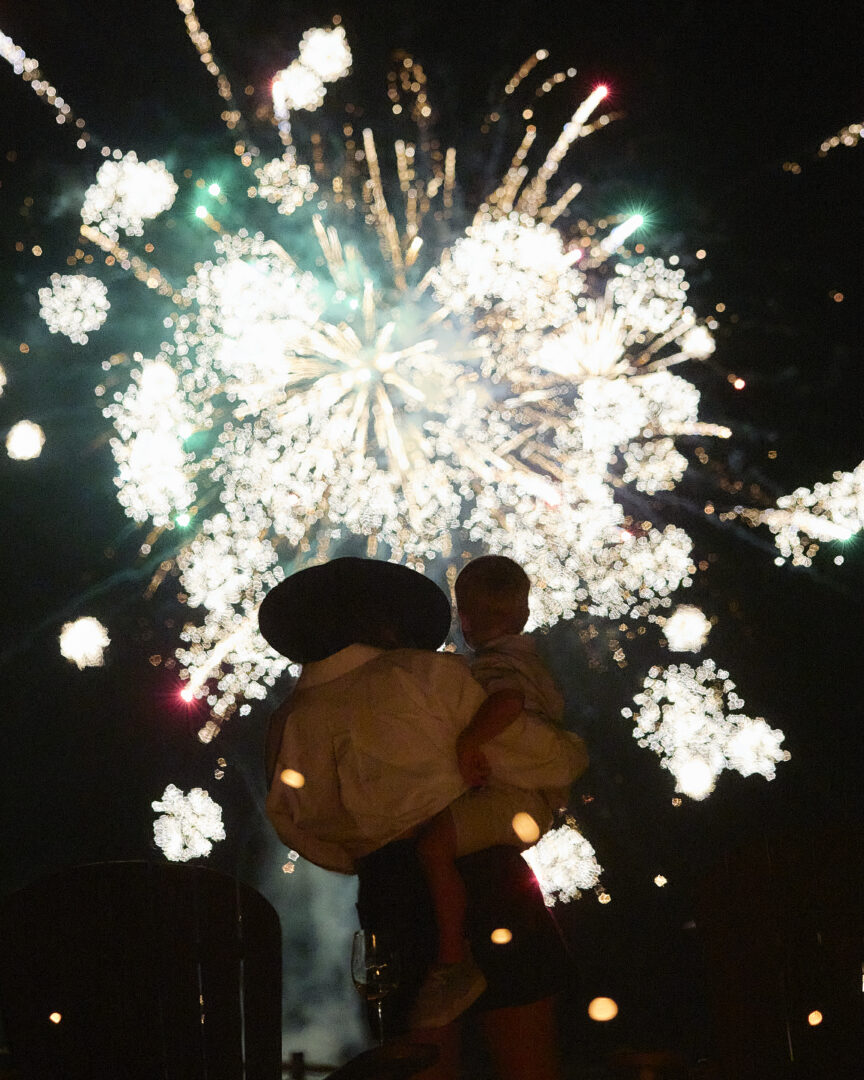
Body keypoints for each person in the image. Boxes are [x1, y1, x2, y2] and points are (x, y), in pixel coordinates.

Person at [260, 557, 571, 1080]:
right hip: (484, 876)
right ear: (387, 620)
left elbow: (304, 831)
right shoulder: (427, 675)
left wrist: (381, 848)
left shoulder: (287, 723)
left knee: (421, 1066)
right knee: (529, 1068)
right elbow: (538, 756)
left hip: (390, 894)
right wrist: (568, 758)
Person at [412, 556, 588, 1029]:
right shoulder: (530, 658)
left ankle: (452, 962)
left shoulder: (497, 663)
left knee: (433, 845)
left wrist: (470, 740)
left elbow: (506, 703)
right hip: (528, 800)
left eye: (477, 613)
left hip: (516, 798)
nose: (473, 624)